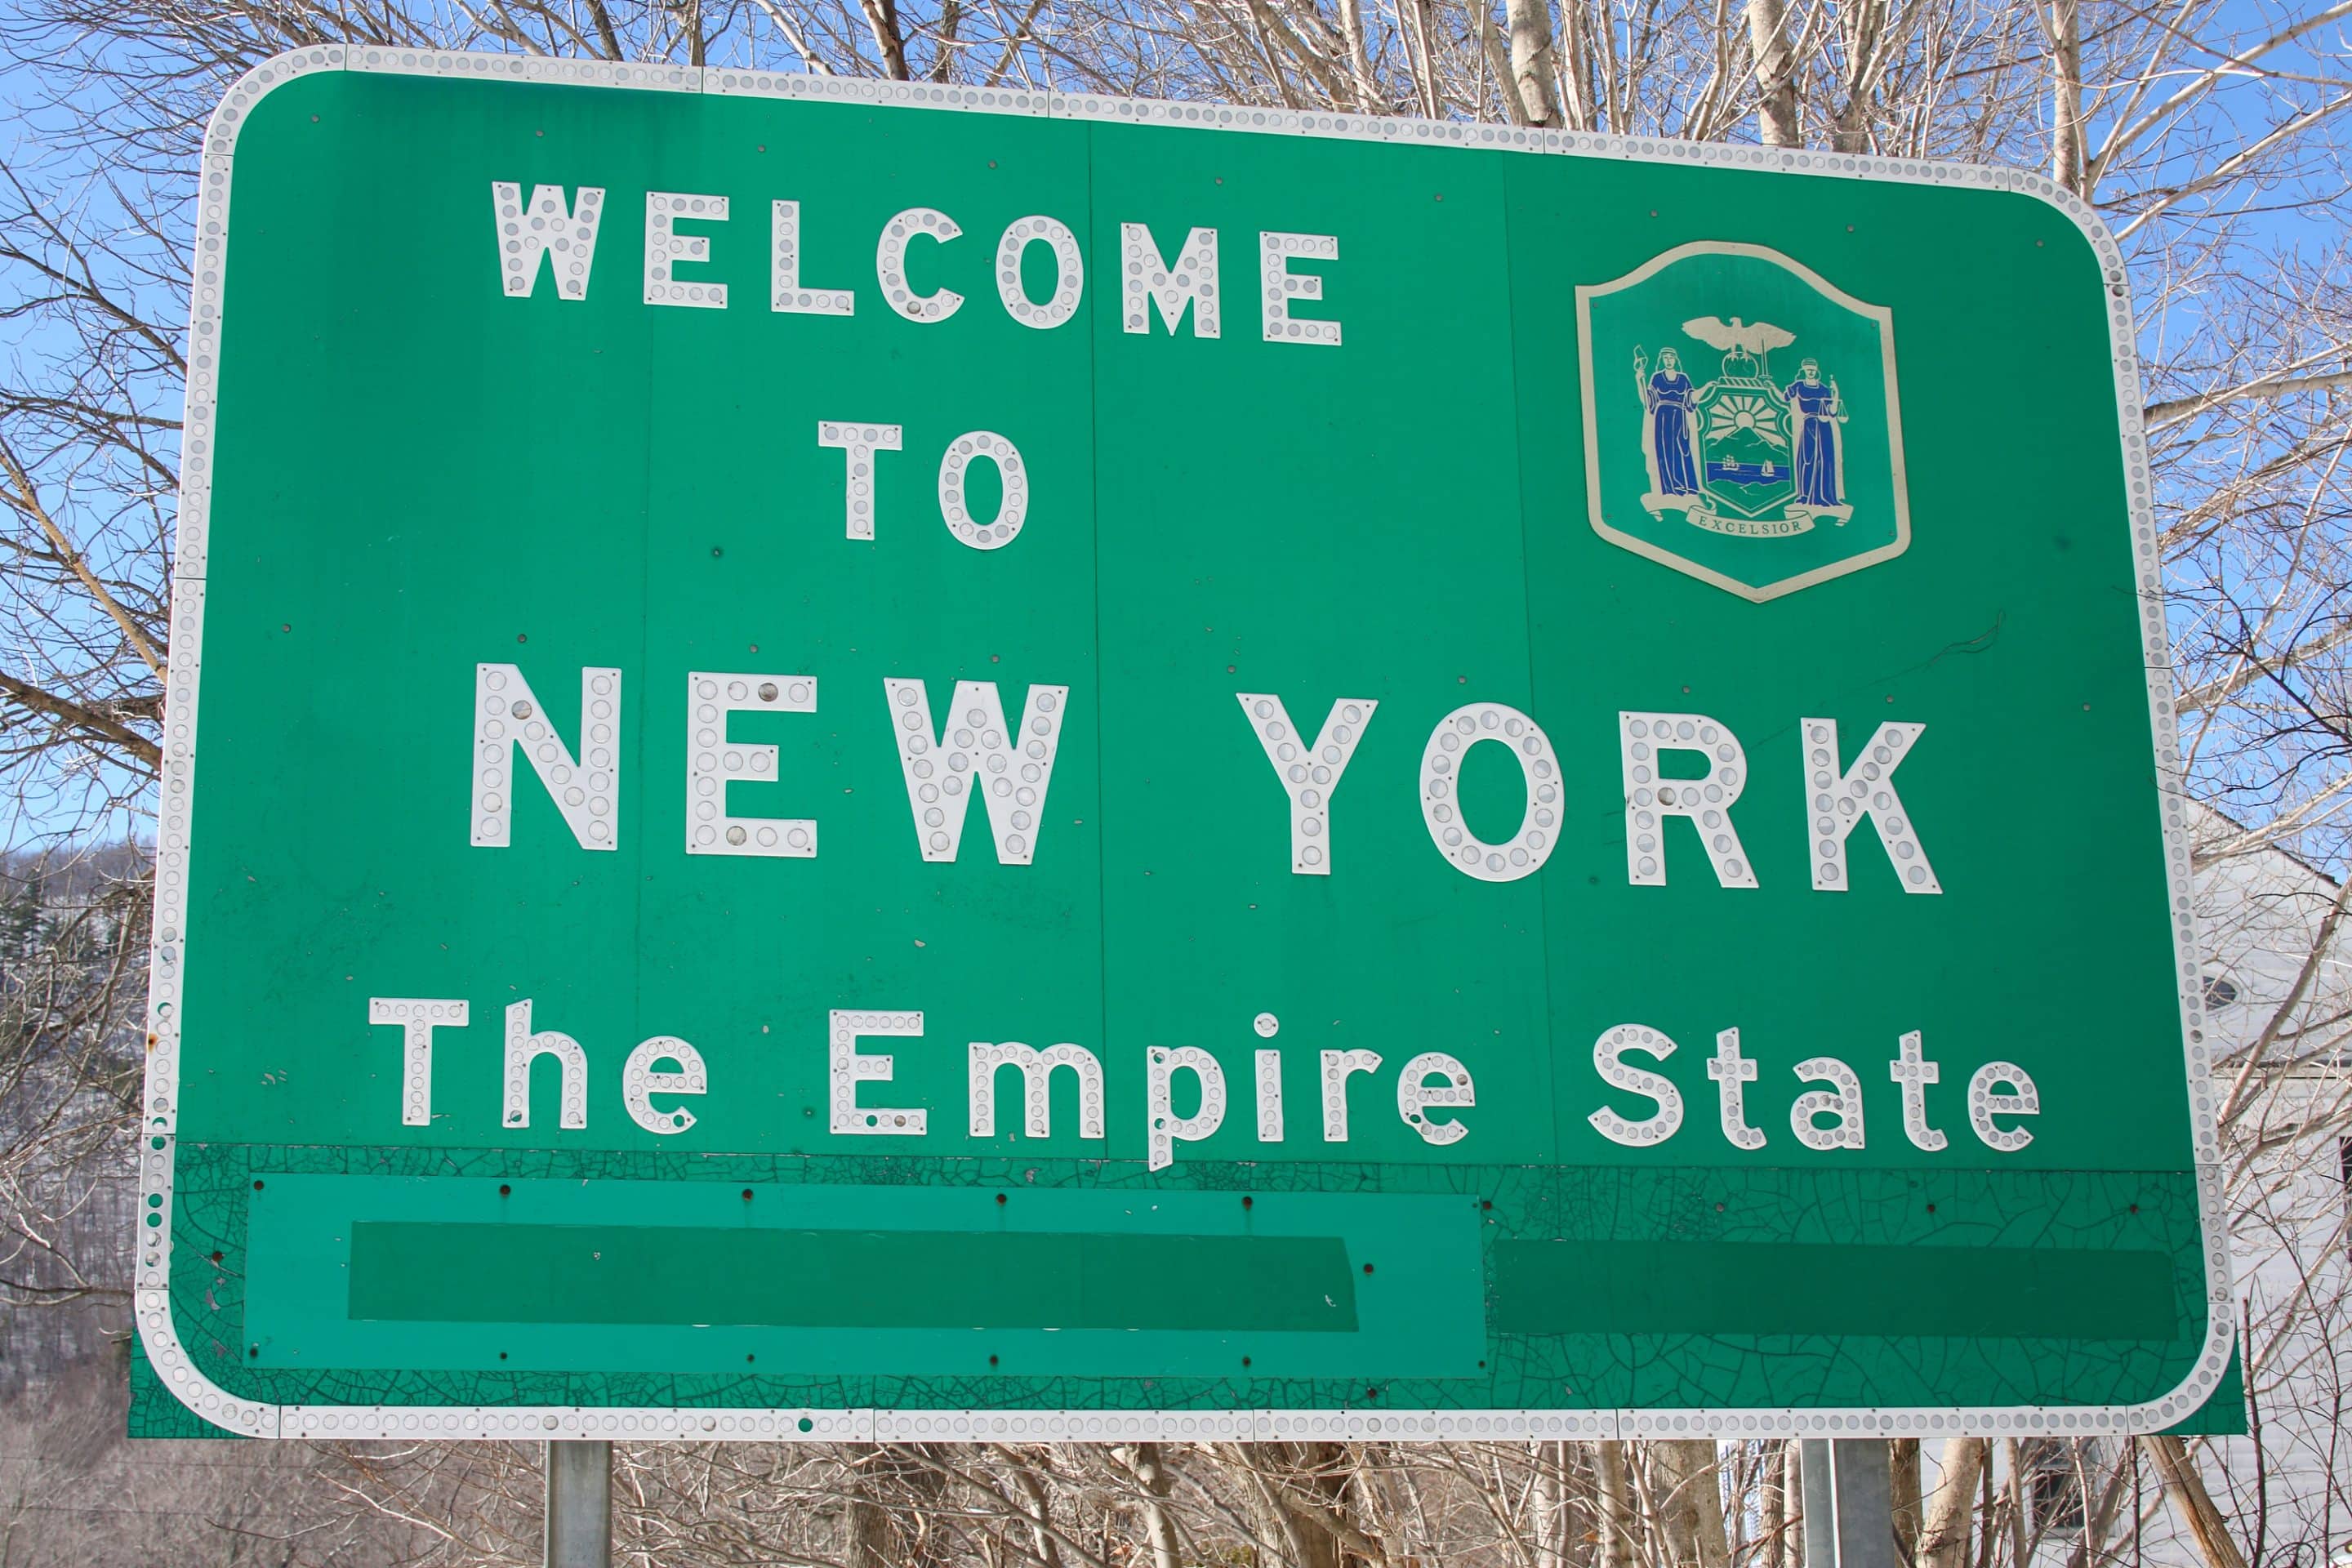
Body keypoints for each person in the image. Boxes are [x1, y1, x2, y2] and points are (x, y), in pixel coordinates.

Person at [1782, 357, 1843, 507]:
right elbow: (1784, 398)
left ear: (1816, 371)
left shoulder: (1823, 388)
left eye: (1813, 369)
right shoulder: (1798, 386)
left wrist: (1836, 394)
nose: (1810, 372)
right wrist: (1770, 387)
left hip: (1824, 424)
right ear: (1803, 370)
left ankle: (1825, 496)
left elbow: (1832, 412)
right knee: (1808, 459)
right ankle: (1805, 495)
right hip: (1809, 424)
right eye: (1808, 369)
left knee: (1825, 459)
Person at [1642, 348, 1699, 496]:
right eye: (1666, 358)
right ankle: (1671, 488)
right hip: (1663, 417)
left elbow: (1691, 400)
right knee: (1666, 449)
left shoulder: (1683, 378)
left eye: (1671, 357)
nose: (1669, 360)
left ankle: (1690, 486)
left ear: (1676, 359)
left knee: (1683, 448)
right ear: (1662, 360)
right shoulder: (1657, 377)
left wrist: (1705, 389)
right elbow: (1648, 403)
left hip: (1680, 415)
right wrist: (1639, 380)